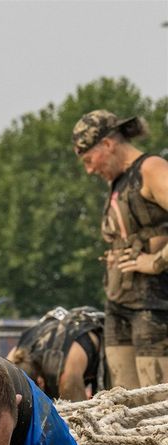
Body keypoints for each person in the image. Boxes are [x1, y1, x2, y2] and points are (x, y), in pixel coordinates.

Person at [73, 109, 168, 389]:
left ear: (107, 144)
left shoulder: (150, 169)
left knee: (157, 404)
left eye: (89, 160)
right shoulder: (119, 180)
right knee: (122, 402)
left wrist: (156, 261)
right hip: (119, 303)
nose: (89, 169)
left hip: (155, 306)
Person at [6, 306, 105, 401]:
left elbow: (80, 413)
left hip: (95, 336)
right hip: (58, 333)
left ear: (41, 381)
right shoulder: (11, 365)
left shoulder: (66, 375)